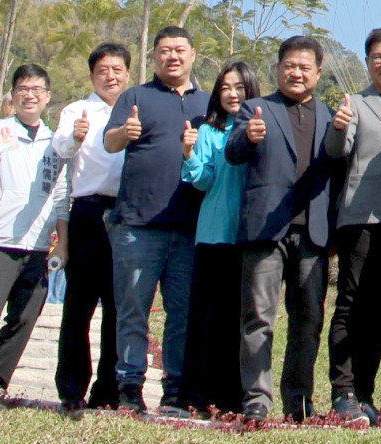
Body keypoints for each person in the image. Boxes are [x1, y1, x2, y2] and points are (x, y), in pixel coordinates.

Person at [227, 36, 339, 422]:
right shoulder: (256, 108)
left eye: (305, 67)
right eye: (289, 65)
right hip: (265, 231)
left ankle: (299, 401)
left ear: (318, 73)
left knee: (308, 320)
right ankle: (257, 398)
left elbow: (339, 173)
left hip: (314, 232)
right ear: (278, 69)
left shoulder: (329, 115)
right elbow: (234, 151)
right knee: (259, 317)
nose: (296, 72)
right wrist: (248, 135)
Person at [102, 26, 209, 416]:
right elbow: (108, 142)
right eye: (164, 51)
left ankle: (175, 392)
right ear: (154, 57)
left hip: (190, 228)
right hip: (137, 225)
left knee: (181, 314)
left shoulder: (207, 103)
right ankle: (129, 387)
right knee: (133, 309)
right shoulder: (135, 97)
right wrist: (123, 132)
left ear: (193, 54)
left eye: (179, 50)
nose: (172, 57)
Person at [0, 64, 68, 418]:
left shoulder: (55, 142)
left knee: (23, 319)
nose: (29, 94)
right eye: (23, 88)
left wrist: (60, 242)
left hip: (36, 246)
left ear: (47, 97)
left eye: (37, 89)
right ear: (13, 94)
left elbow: (62, 195)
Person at [325, 27, 381, 424]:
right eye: (378, 57)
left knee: (379, 310)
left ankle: (365, 393)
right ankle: (342, 393)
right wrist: (339, 125)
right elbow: (336, 150)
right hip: (361, 216)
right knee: (351, 305)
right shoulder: (356, 104)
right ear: (368, 63)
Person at [51, 42, 130, 416]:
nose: (110, 76)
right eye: (103, 71)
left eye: (117, 70)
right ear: (92, 76)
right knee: (78, 305)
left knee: (118, 306)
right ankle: (70, 388)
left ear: (128, 74)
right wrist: (77, 137)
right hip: (88, 211)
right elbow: (61, 149)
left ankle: (108, 390)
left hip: (127, 213)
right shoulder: (76, 110)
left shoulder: (136, 108)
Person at [178, 58, 259, 416]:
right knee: (205, 318)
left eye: (239, 87)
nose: (231, 93)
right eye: (225, 87)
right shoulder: (208, 131)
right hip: (212, 235)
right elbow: (204, 180)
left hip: (250, 237)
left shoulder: (260, 127)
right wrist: (189, 154)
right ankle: (196, 395)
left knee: (239, 321)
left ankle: (233, 396)